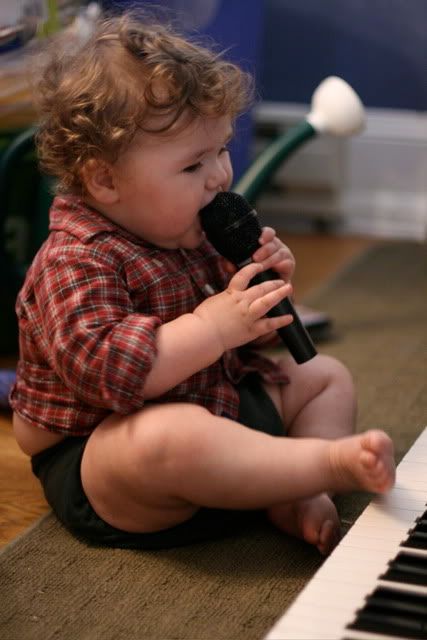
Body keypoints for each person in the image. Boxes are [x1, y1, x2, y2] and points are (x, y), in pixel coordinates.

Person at [10, 11, 395, 555]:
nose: (219, 176)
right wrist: (213, 327)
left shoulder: (194, 227)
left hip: (216, 401)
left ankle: (297, 493)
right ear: (104, 178)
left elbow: (245, 340)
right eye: (193, 166)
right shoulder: (73, 260)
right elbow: (111, 372)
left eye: (221, 151)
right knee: (170, 435)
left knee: (326, 376)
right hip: (108, 457)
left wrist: (263, 296)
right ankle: (318, 466)